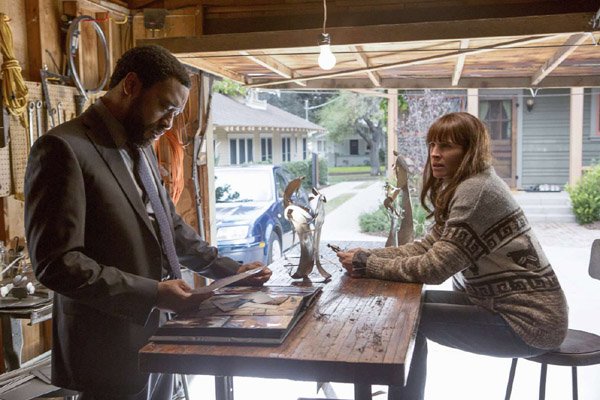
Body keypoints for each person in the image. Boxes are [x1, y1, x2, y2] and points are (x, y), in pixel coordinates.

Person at [24, 45, 272, 400]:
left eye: (176, 113)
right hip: (108, 352)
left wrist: (231, 271)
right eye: (165, 107)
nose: (169, 123)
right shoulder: (63, 148)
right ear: (131, 85)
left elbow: (169, 228)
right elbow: (57, 264)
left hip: (160, 337)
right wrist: (153, 294)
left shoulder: (140, 146)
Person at [336, 112, 568, 400]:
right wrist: (368, 255)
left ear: (470, 151)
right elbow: (427, 246)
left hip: (528, 322)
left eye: (446, 146)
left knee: (408, 319)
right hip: (494, 303)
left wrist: (367, 265)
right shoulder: (467, 184)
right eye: (432, 145)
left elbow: (434, 269)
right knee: (407, 307)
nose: (435, 154)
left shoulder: (476, 191)